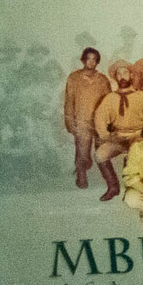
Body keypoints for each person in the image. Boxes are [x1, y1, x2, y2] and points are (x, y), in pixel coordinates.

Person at [91, 62, 143, 203]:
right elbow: (99, 118)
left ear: (131, 75)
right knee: (100, 155)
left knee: (132, 156)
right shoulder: (110, 98)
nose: (122, 76)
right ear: (115, 77)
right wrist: (107, 137)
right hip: (118, 137)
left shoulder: (142, 96)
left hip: (138, 136)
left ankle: (132, 188)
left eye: (125, 73)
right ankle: (113, 187)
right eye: (119, 74)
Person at [62, 47, 110, 190]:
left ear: (97, 62)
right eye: (88, 58)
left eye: (94, 59)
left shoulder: (102, 79)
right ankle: (81, 174)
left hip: (99, 121)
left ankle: (107, 179)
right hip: (81, 120)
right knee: (83, 151)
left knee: (102, 150)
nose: (91, 62)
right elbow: (69, 101)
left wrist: (109, 122)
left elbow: (109, 101)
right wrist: (69, 121)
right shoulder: (74, 78)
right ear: (83, 59)